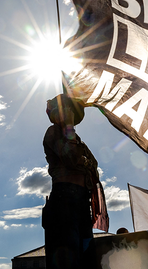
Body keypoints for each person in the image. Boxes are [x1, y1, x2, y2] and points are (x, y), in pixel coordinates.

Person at [42, 93, 108, 269]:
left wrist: (84, 162)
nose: (69, 114)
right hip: (63, 200)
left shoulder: (78, 141)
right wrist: (69, 126)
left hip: (81, 202)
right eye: (66, 110)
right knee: (67, 258)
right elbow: (72, 158)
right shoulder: (53, 132)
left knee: (86, 256)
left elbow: (94, 167)